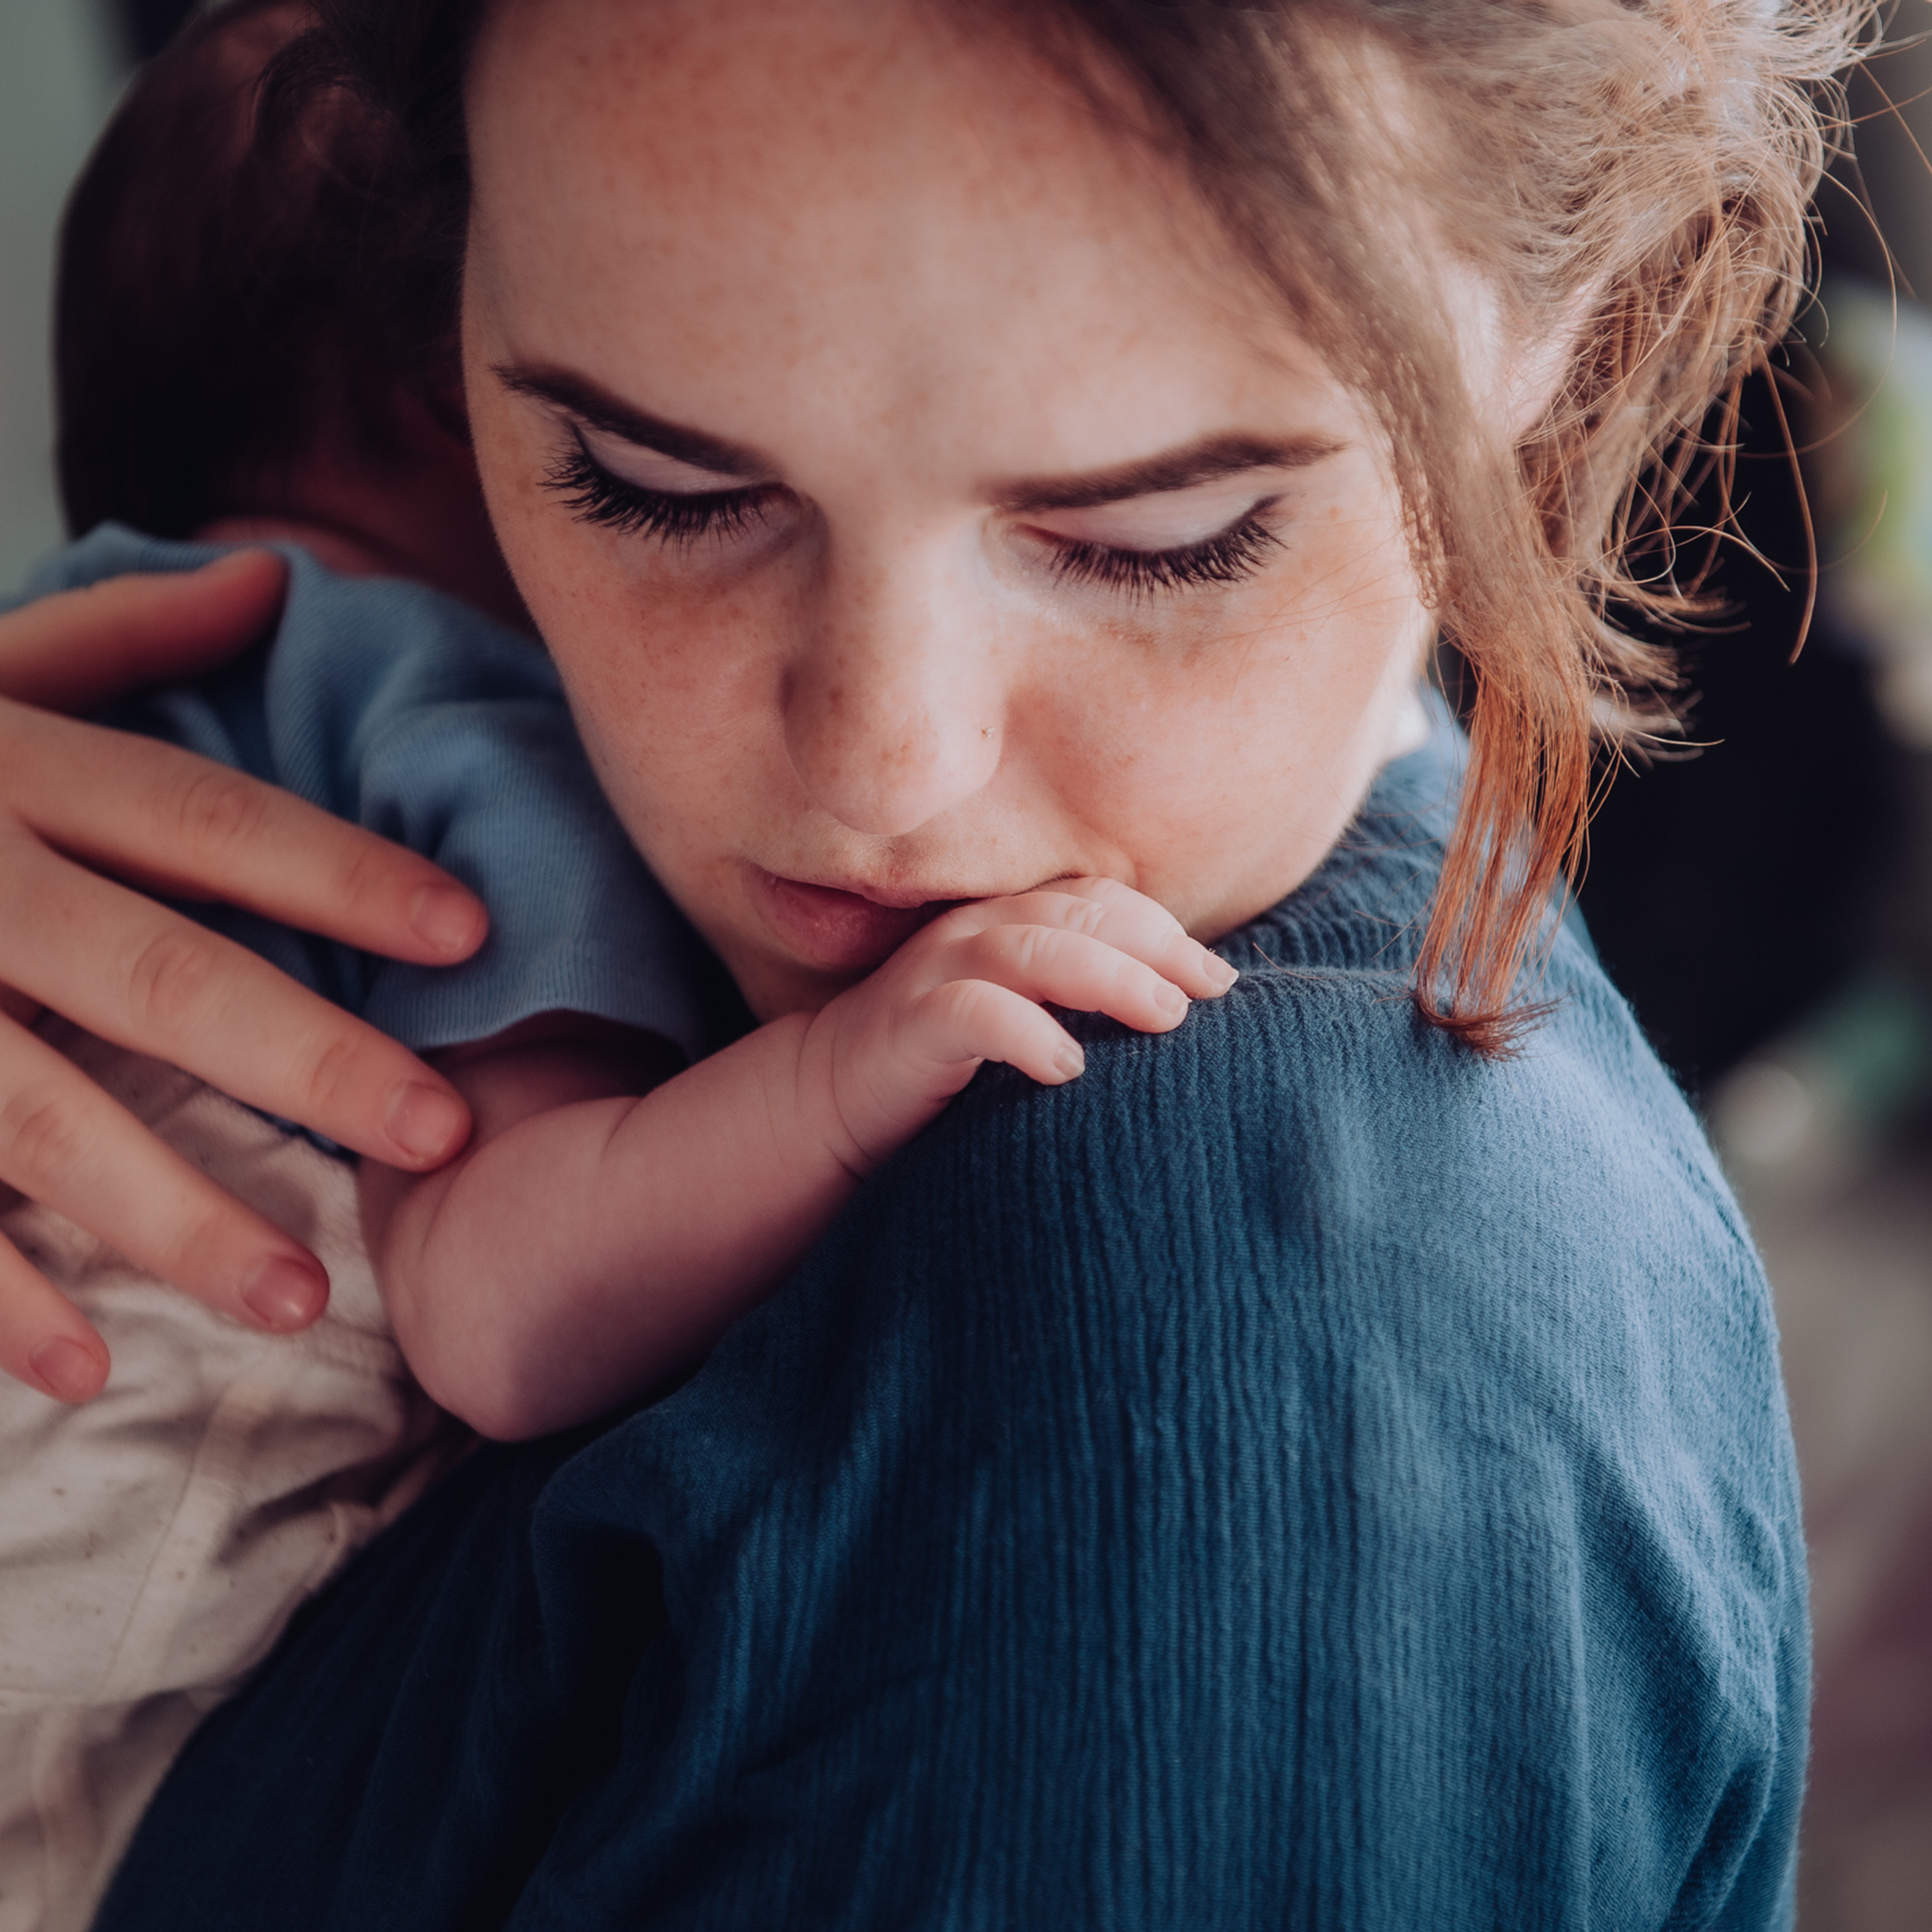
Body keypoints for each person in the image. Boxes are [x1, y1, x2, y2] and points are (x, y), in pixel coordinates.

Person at [0, 0, 1869, 1921]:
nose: (877, 766)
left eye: (1165, 533)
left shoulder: (1268, 1347)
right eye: (647, 480)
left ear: (1585, 322)